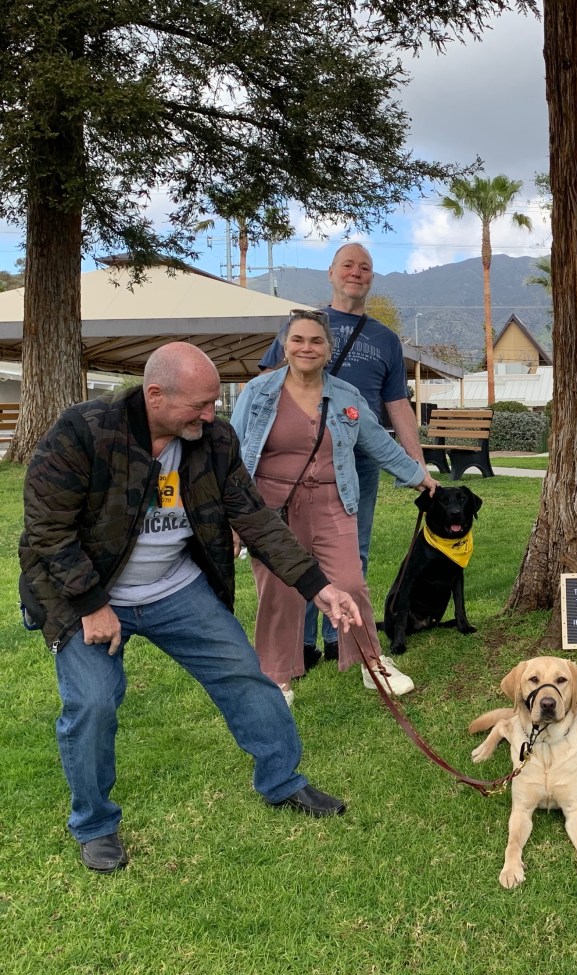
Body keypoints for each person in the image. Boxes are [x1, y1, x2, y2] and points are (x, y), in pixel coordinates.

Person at [19, 343, 362, 873]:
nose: (211, 414)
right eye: (199, 405)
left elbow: (254, 518)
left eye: (213, 403)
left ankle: (283, 781)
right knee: (92, 704)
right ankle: (95, 825)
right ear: (155, 395)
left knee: (245, 674)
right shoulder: (84, 431)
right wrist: (91, 604)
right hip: (89, 593)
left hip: (174, 589)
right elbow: (46, 529)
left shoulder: (214, 440)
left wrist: (317, 586)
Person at [234, 309, 438, 702]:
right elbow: (237, 453)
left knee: (349, 583)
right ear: (284, 346)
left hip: (333, 502)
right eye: (298, 340)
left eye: (316, 341)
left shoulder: (346, 396)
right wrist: (235, 515)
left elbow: (378, 442)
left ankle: (371, 662)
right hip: (272, 511)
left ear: (329, 349)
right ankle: (276, 677)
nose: (306, 348)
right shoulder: (258, 393)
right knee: (279, 591)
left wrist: (419, 476)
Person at [259, 242, 426, 668]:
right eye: (348, 265)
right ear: (331, 273)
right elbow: (267, 387)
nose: (357, 272)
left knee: (354, 552)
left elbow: (397, 406)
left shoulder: (386, 339)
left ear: (371, 278)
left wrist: (417, 466)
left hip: (359, 462)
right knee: (298, 552)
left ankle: (340, 637)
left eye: (365, 267)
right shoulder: (303, 327)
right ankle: (300, 644)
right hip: (301, 462)